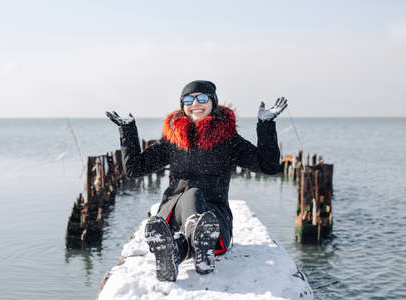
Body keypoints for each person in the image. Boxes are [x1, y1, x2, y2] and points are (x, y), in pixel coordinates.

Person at [106, 80, 287, 282]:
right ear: (182, 105)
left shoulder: (228, 141)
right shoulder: (173, 141)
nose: (195, 104)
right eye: (188, 99)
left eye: (202, 98)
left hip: (215, 224)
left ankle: (177, 251)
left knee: (196, 204)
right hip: (173, 216)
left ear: (213, 102)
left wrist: (266, 124)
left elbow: (268, 166)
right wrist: (128, 130)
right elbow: (134, 169)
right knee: (191, 194)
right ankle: (196, 241)